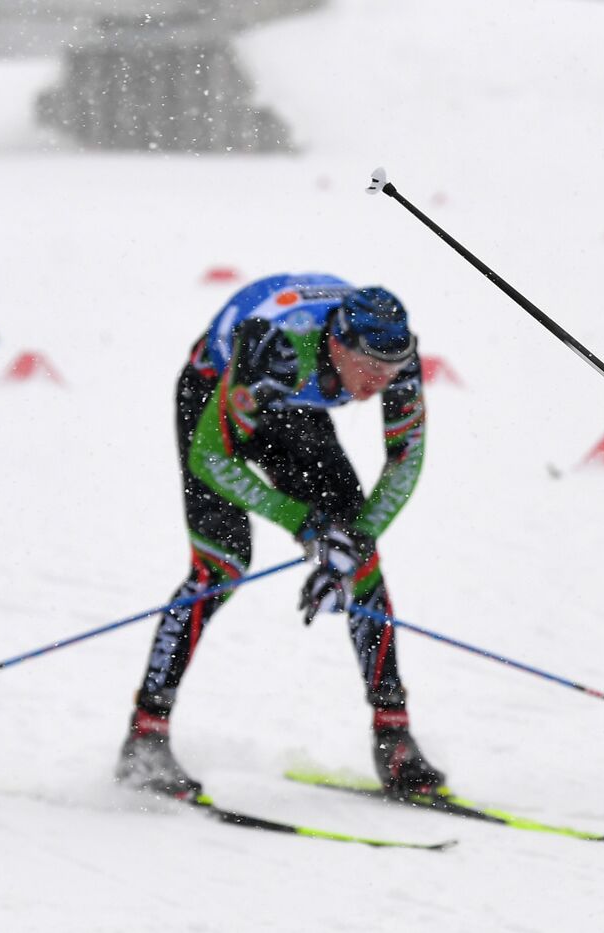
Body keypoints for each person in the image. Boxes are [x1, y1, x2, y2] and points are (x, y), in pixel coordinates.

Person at [114, 272, 440, 800]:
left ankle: (394, 736)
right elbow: (211, 457)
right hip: (216, 392)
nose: (381, 382)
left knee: (358, 560)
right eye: (371, 369)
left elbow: (407, 458)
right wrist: (304, 523)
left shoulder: (395, 358)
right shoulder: (276, 348)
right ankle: (146, 735)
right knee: (221, 566)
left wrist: (354, 537)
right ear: (338, 344)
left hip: (297, 408)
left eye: (394, 369)